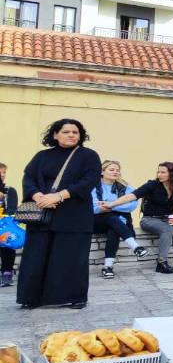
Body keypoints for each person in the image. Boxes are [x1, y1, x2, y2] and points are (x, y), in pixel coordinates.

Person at [18, 118, 102, 309]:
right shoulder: (42, 156)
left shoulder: (88, 156)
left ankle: (75, 297)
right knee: (36, 257)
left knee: (71, 258)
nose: (71, 135)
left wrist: (59, 196)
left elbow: (89, 180)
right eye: (66, 132)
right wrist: (37, 195)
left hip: (74, 216)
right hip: (42, 214)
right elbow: (28, 177)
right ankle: (31, 298)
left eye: (75, 132)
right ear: (55, 135)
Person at [104, 162, 173, 274]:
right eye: (158, 172)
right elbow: (132, 196)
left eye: (163, 172)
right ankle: (161, 263)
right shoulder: (152, 185)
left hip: (168, 218)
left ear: (172, 173)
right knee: (167, 229)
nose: (159, 174)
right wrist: (112, 204)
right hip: (149, 219)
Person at [91, 160, 148, 279]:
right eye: (111, 170)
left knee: (114, 229)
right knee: (112, 218)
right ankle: (135, 247)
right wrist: (112, 207)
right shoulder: (93, 186)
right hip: (97, 221)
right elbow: (93, 208)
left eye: (117, 170)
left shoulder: (125, 187)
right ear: (102, 172)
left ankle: (108, 267)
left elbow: (132, 205)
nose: (115, 172)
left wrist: (110, 205)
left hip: (118, 222)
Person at [0, 163, 18, 287]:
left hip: (5, 224)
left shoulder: (9, 190)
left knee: (8, 246)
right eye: (0, 172)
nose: (2, 175)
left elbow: (11, 210)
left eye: (4, 172)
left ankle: (7, 273)